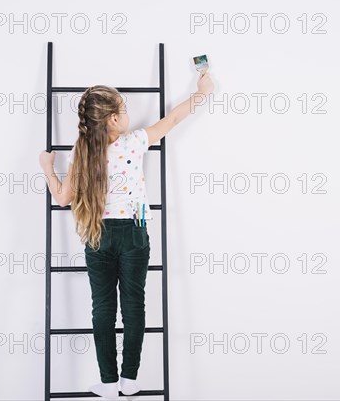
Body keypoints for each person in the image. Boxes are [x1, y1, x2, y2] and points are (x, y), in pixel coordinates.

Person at [39, 72, 214, 400]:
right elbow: (174, 118)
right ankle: (130, 379)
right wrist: (201, 91)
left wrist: (47, 166)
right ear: (116, 119)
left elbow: (63, 198)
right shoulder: (135, 142)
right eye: (125, 108)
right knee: (134, 304)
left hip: (97, 234)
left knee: (102, 308)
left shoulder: (84, 152)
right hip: (135, 231)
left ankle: (107, 383)